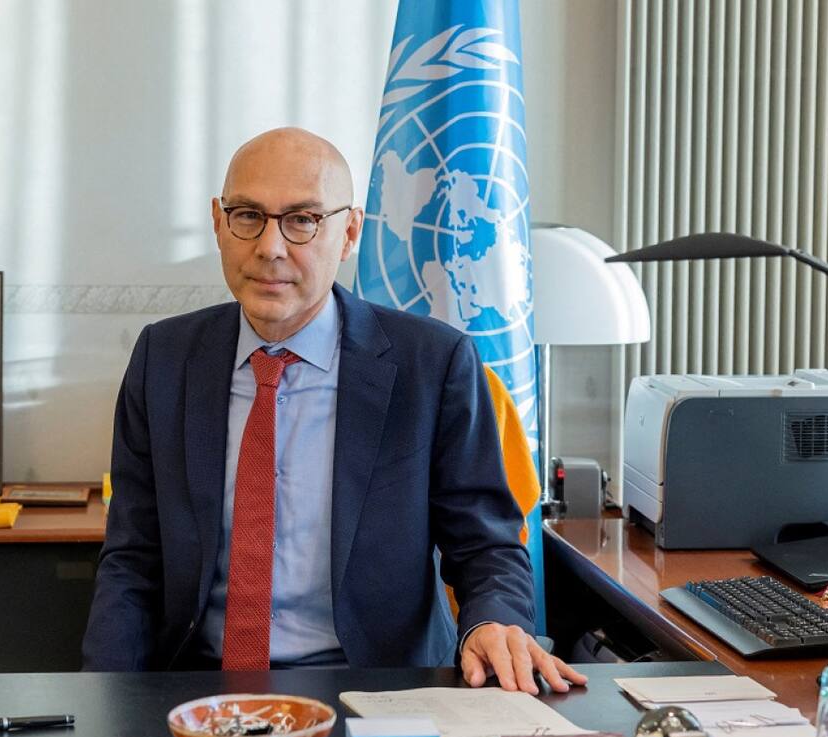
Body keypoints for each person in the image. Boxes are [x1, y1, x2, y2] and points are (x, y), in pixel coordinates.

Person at [82, 127, 587, 695]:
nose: (270, 247)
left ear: (348, 233)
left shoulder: (432, 364)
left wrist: (491, 620)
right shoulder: (164, 359)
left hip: (380, 688)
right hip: (199, 688)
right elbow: (133, 558)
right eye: (248, 215)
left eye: (302, 220)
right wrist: (103, 704)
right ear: (219, 223)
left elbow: (485, 545)